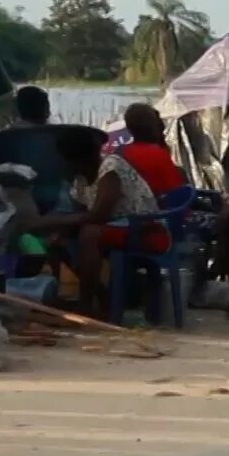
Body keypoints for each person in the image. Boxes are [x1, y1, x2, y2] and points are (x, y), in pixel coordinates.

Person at [56, 126, 164, 318]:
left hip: (144, 230)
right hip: (117, 229)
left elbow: (98, 215)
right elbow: (80, 214)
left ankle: (86, 304)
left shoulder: (110, 167)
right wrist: (59, 230)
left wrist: (49, 220)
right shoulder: (80, 179)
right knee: (57, 242)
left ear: (75, 159)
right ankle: (103, 297)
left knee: (90, 234)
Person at [117, 103, 185, 198]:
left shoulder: (120, 153)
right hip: (161, 209)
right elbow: (177, 193)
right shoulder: (159, 154)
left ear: (128, 127)